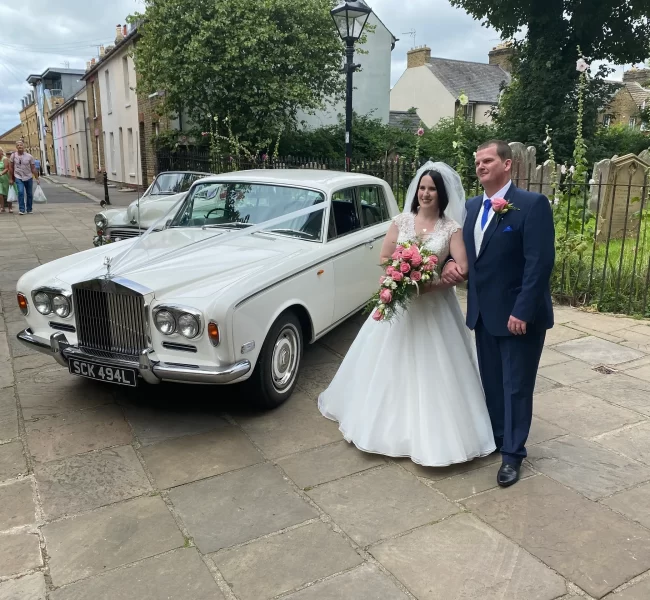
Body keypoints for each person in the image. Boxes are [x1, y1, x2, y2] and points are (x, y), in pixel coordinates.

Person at [318, 162, 496, 467]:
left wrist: (438, 278)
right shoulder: (401, 222)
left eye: (432, 189)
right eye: (423, 188)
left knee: (437, 368)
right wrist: (401, 276)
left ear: (441, 195)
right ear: (417, 191)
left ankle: (438, 434)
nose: (426, 194)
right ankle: (381, 424)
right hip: (399, 304)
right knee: (387, 364)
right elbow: (385, 257)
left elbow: (464, 268)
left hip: (435, 307)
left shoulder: (450, 228)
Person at [442, 141, 555, 487]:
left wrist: (522, 310)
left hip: (519, 318)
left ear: (507, 165)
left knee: (516, 386)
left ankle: (513, 455)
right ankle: (497, 438)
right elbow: (463, 253)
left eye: (487, 160)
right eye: (477, 162)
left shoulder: (532, 205)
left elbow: (539, 263)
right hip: (483, 315)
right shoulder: (473, 207)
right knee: (492, 384)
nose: (480, 166)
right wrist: (449, 264)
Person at [8, 140, 40, 215]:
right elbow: (11, 167)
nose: (20, 146)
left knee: (29, 193)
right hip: (18, 176)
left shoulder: (29, 156)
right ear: (16, 147)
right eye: (18, 145)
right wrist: (10, 178)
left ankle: (29, 209)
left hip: (28, 176)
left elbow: (33, 168)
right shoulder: (13, 156)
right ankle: (21, 209)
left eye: (21, 145)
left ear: (23, 146)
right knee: (20, 192)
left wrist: (37, 178)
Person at [0, 148, 10, 213]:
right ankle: (2, 207)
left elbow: (6, 168)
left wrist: (1, 173)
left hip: (4, 177)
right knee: (0, 193)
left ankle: (10, 207)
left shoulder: (5, 159)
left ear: (1, 152)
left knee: (7, 192)